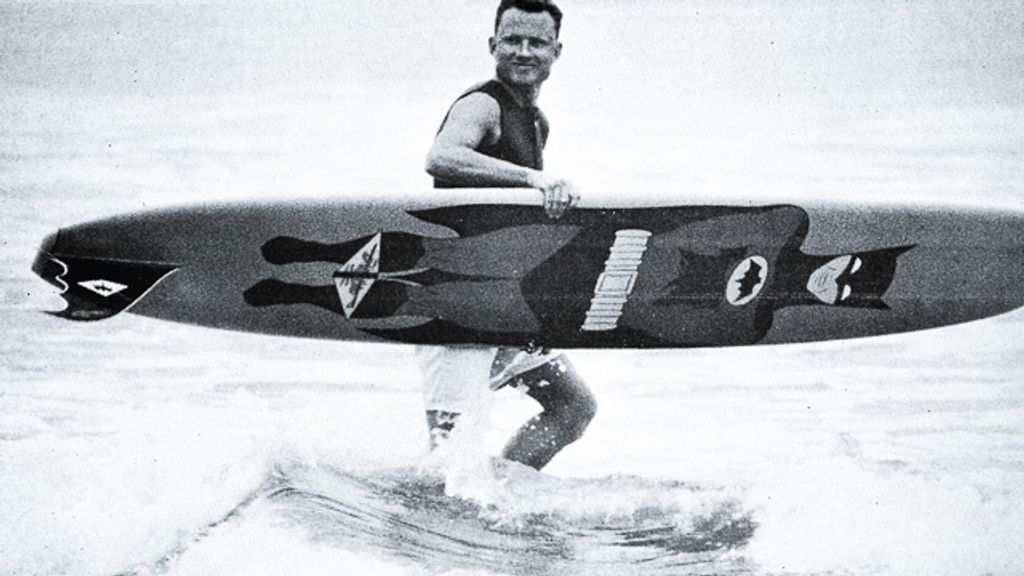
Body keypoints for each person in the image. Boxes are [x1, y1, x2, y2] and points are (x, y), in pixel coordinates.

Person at [420, 0, 596, 470]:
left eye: (536, 42)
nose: (523, 51)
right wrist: (533, 180)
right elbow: (442, 157)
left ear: (556, 51)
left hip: (505, 304)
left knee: (572, 407)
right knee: (447, 454)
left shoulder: (538, 123)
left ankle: (499, 493)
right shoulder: (482, 104)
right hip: (455, 301)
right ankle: (429, 529)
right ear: (492, 45)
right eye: (511, 40)